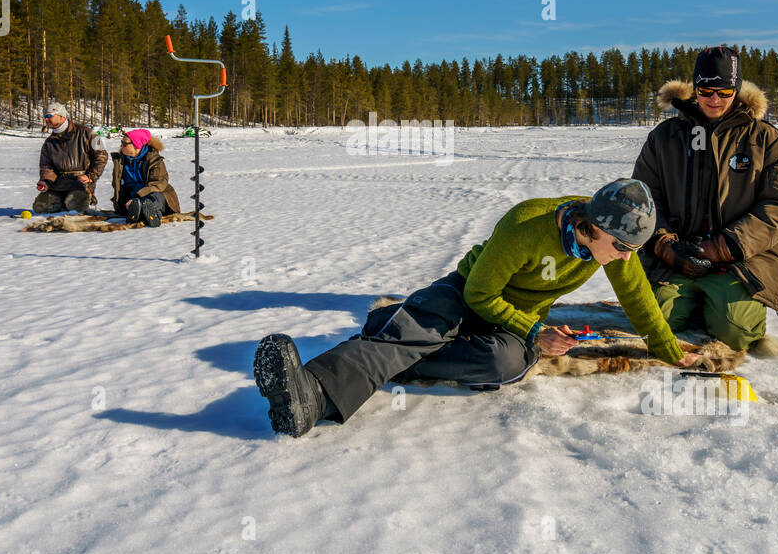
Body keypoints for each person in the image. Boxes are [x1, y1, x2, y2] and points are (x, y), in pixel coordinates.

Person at [254, 179, 697, 438]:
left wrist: (669, 349)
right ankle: (312, 393)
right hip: (469, 290)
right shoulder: (527, 223)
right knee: (429, 324)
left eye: (633, 250)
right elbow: (481, 296)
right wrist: (532, 330)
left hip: (513, 321)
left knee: (504, 363)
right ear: (594, 226)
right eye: (622, 247)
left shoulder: (613, 248)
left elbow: (638, 299)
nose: (626, 257)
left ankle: (392, 345)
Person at [631, 45, 778, 354]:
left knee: (735, 332)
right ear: (695, 88)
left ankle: (715, 304)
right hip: (677, 261)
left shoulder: (767, 139)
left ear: (736, 90)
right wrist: (665, 245)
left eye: (724, 91)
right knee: (652, 323)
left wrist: (723, 247)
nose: (714, 100)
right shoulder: (664, 137)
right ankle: (694, 300)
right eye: (706, 90)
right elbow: (644, 197)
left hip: (741, 261)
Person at [33, 103, 108, 214]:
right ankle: (62, 202)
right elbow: (46, 166)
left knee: (75, 206)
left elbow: (101, 156)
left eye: (49, 116)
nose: (46, 119)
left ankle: (83, 199)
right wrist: (45, 181)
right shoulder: (49, 142)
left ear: (62, 116)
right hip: (58, 183)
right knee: (41, 206)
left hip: (81, 182)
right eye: (45, 117)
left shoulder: (87, 133)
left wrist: (90, 176)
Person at [110, 129, 181, 227]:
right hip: (131, 198)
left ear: (137, 145)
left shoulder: (154, 161)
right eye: (121, 143)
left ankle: (152, 213)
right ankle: (136, 212)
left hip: (154, 195)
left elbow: (157, 184)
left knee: (155, 196)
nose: (121, 146)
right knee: (134, 203)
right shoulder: (121, 161)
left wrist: (139, 196)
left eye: (125, 143)